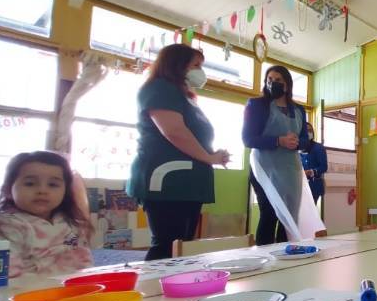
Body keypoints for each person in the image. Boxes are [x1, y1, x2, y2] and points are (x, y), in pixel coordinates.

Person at [127, 44, 230, 261]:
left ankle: (178, 290)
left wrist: (213, 155)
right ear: (178, 65)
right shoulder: (159, 89)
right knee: (167, 246)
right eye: (196, 65)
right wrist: (208, 157)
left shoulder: (185, 98)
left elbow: (191, 135)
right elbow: (174, 131)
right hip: (166, 179)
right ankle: (151, 292)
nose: (200, 71)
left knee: (181, 247)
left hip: (187, 182)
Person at [0, 151, 92, 279]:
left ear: (65, 191)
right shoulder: (3, 225)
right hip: (22, 293)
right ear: (8, 189)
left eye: (53, 185)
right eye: (30, 183)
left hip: (68, 289)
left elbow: (83, 259)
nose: (42, 190)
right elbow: (3, 277)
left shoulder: (69, 222)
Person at [243, 65, 309, 245]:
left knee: (289, 215)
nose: (273, 83)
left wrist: (298, 142)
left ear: (287, 85)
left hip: (290, 169)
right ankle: (264, 256)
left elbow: (305, 140)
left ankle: (285, 255)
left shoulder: (299, 110)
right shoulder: (256, 105)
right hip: (265, 167)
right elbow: (248, 139)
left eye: (278, 80)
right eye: (269, 80)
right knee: (270, 212)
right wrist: (278, 141)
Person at [299, 123, 328, 205]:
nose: (309, 132)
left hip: (314, 186)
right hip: (299, 186)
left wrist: (310, 172)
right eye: (306, 130)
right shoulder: (296, 147)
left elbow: (324, 167)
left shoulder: (318, 148)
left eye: (310, 130)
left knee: (309, 214)